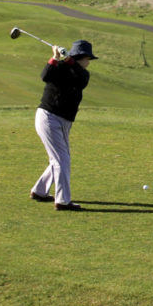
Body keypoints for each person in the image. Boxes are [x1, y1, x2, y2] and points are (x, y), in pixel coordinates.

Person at [30, 39, 97, 211]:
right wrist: (54, 57)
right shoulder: (58, 68)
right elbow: (45, 76)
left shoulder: (81, 74)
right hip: (48, 117)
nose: (89, 63)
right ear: (81, 57)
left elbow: (81, 80)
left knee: (59, 159)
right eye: (87, 59)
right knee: (62, 160)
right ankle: (62, 201)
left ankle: (39, 191)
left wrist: (69, 61)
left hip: (64, 121)